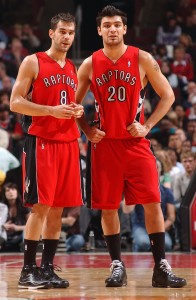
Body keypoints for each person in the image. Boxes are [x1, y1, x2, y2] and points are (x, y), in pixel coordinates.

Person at [76, 5, 186, 288]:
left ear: (124, 29)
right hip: (105, 146)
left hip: (136, 144)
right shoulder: (89, 63)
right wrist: (87, 130)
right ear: (99, 30)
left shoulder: (143, 58)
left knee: (153, 202)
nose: (112, 29)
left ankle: (161, 266)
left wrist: (147, 126)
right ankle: (116, 265)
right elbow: (75, 106)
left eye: (117, 24)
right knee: (109, 208)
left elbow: (169, 96)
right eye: (107, 25)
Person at [10, 12, 84, 289]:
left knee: (57, 210)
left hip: (68, 143)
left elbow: (65, 103)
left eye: (71, 33)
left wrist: (76, 110)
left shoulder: (72, 68)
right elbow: (16, 102)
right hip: (41, 142)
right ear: (51, 33)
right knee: (40, 207)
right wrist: (51, 111)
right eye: (62, 31)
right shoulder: (34, 62)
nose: (66, 37)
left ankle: (48, 269)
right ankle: (27, 270)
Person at [0, 182, 31, 252]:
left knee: (27, 231)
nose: (11, 192)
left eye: (13, 189)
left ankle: (26, 249)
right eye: (8, 190)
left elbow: (32, 226)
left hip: (20, 237)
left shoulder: (24, 206)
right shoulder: (1, 207)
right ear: (4, 194)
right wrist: (3, 226)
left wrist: (16, 228)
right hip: (4, 237)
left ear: (17, 192)